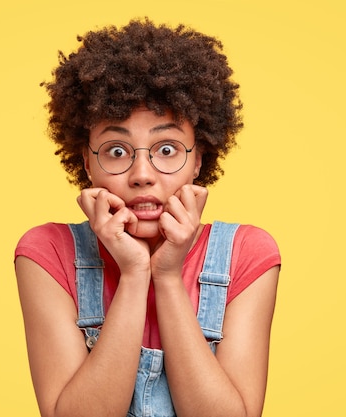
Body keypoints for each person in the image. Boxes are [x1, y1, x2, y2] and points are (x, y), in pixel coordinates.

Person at [15, 18, 281, 417]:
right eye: (118, 151)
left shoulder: (248, 254)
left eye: (168, 149)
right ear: (87, 162)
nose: (142, 175)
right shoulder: (46, 253)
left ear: (199, 159)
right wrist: (136, 272)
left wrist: (168, 277)